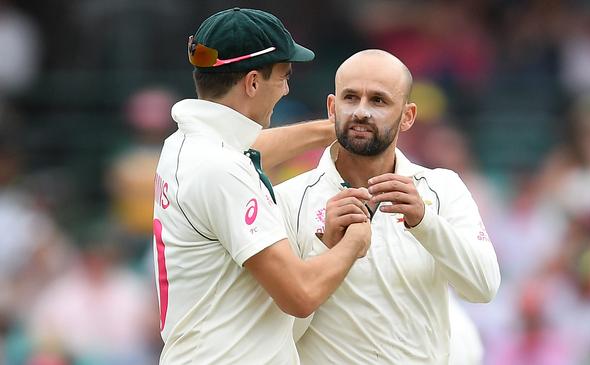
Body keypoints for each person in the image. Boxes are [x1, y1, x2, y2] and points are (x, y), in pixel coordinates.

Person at [152, 8, 372, 364]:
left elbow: (250, 152)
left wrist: (333, 129)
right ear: (253, 82)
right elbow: (300, 295)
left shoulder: (186, 144)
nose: (286, 89)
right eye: (283, 77)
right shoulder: (220, 169)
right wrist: (353, 243)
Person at [276, 49, 500, 364]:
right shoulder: (288, 199)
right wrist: (325, 250)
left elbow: (483, 287)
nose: (361, 112)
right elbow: (279, 334)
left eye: (378, 100)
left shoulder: (442, 187)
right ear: (332, 107)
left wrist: (425, 222)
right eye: (350, 98)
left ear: (407, 116)